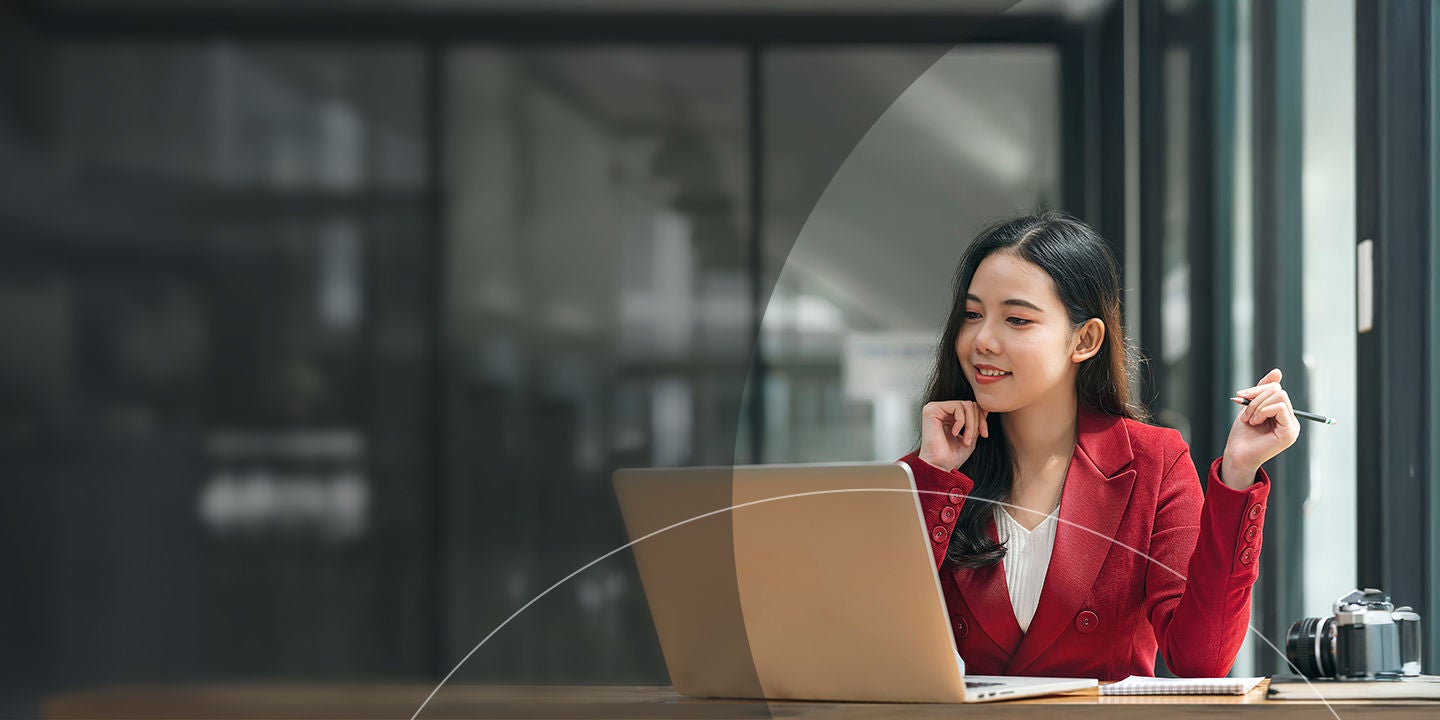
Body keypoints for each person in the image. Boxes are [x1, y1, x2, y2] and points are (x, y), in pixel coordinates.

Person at [903, 211, 1298, 680]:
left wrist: (1237, 474)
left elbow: (1201, 659)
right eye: (972, 315)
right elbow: (873, 641)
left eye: (1016, 319)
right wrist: (933, 477)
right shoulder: (931, 469)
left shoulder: (1154, 462)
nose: (982, 340)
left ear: (1084, 339)